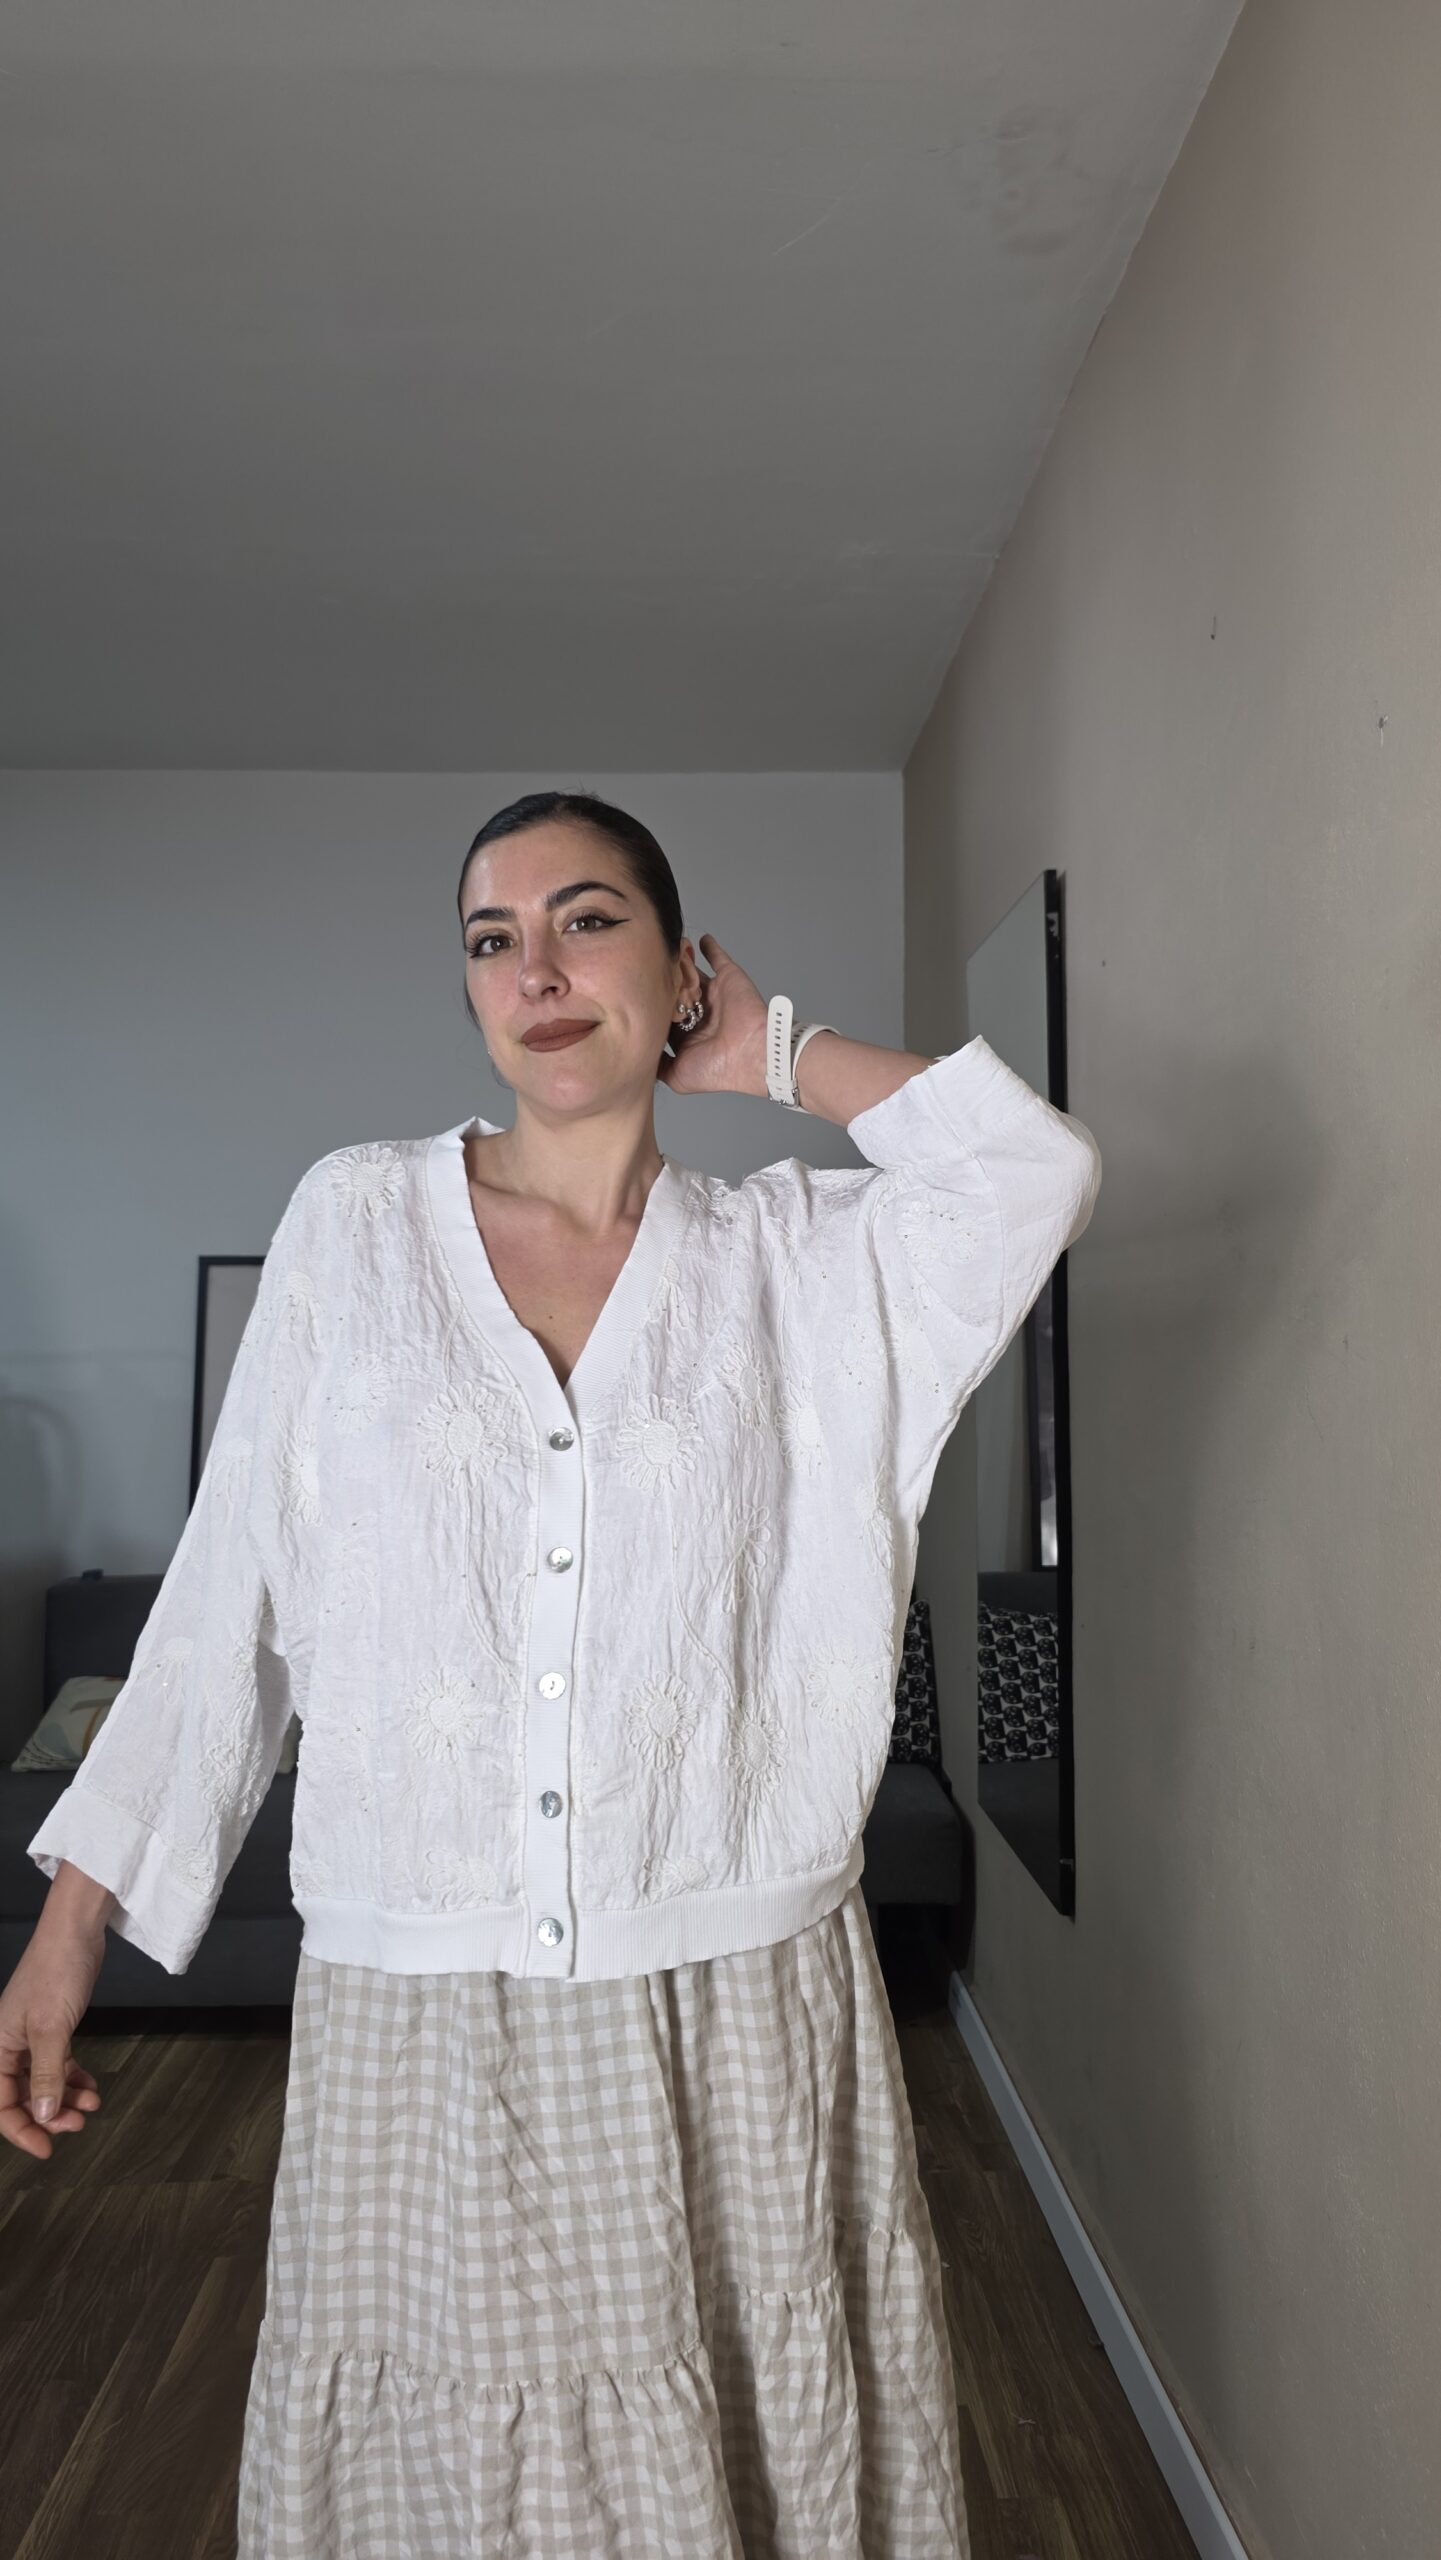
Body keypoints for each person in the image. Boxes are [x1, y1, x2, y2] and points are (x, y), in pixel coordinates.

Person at [3, 791, 1101, 2557]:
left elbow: (1030, 1174)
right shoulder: (354, 1224)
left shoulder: (804, 1261)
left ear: (678, 966)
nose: (535, 971)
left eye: (587, 921)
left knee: (735, 2454)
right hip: (422, 2000)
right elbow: (230, 1592)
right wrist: (74, 1916)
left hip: (733, 1991)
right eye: (491, 939)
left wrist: (773, 1052)